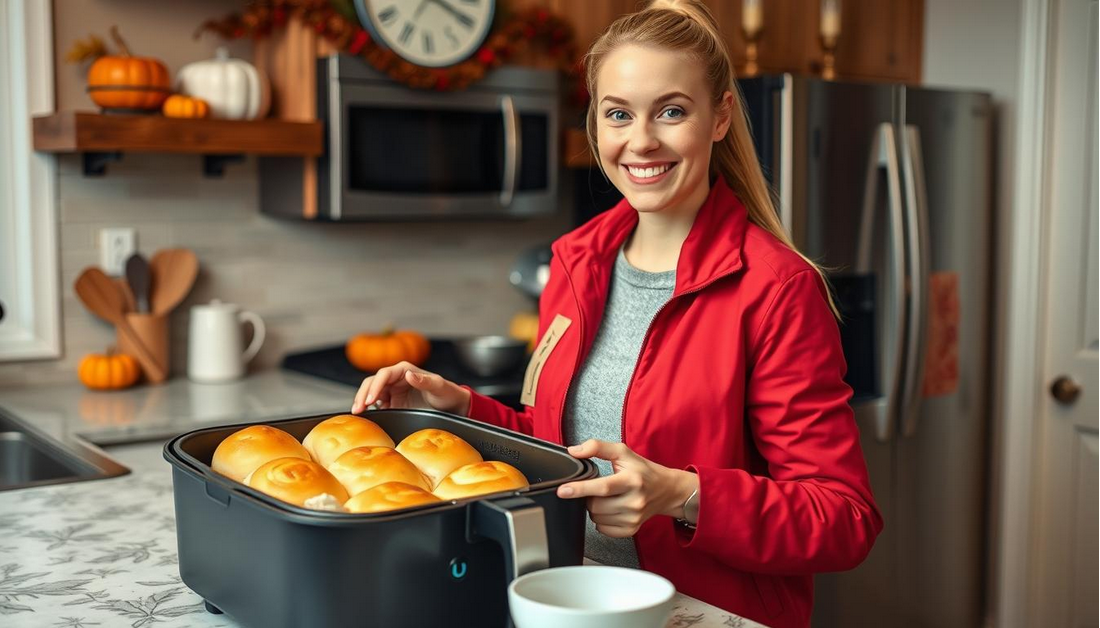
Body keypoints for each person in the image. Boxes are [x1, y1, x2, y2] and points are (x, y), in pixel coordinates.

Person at [351, 1, 882, 626]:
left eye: (673, 111)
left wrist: (682, 496)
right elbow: (565, 446)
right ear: (596, 124)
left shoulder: (775, 289)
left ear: (720, 117)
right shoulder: (576, 262)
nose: (641, 141)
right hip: (570, 602)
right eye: (619, 114)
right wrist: (466, 411)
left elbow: (844, 518)